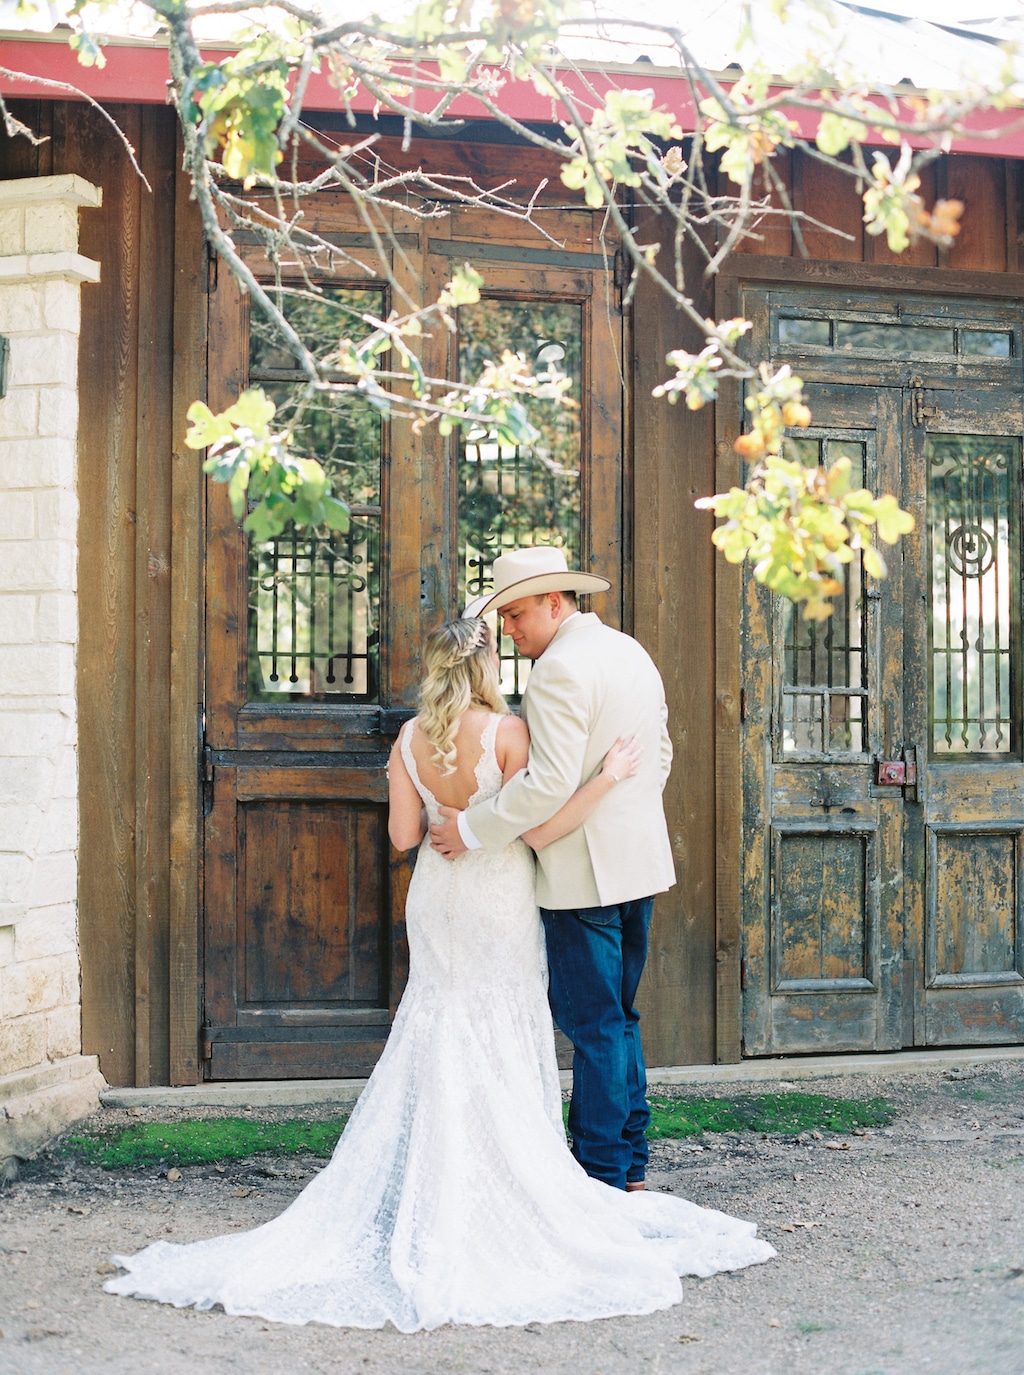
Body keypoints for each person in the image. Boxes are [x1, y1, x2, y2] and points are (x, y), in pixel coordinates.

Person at [104, 616, 774, 1331]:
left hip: (436, 897)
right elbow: (538, 824)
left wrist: (425, 793)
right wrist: (608, 777)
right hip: (499, 897)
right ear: (485, 667)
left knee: (439, 1017)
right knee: (502, 1018)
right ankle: (505, 1178)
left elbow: (402, 837)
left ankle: (437, 1182)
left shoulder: (407, 739)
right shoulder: (511, 734)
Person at [430, 545, 675, 1195]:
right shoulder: (631, 652)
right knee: (619, 1017)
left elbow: (545, 786)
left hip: (581, 872)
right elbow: (661, 754)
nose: (509, 629)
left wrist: (470, 829)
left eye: (514, 615)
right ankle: (630, 1163)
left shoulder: (560, 670)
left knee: (594, 1023)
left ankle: (600, 1171)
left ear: (554, 602)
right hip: (639, 863)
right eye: (504, 617)